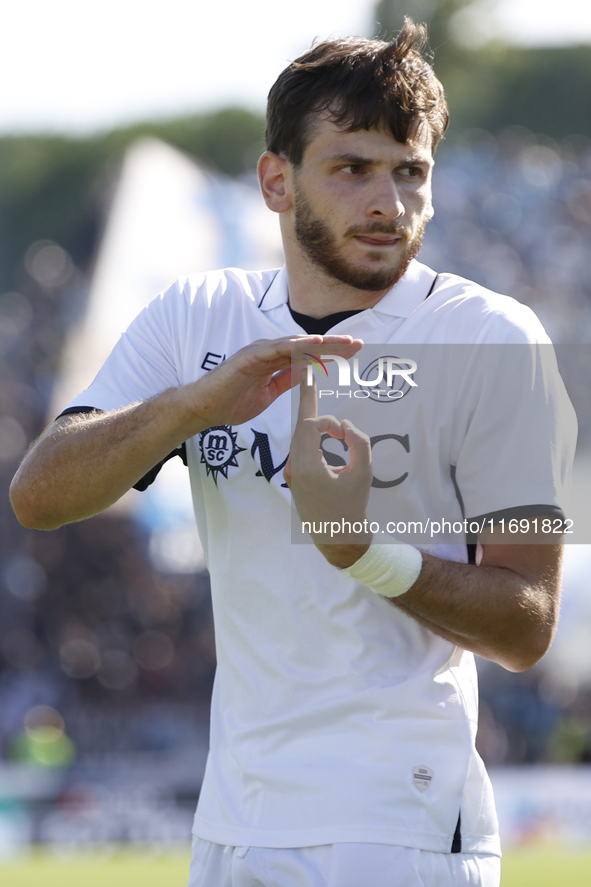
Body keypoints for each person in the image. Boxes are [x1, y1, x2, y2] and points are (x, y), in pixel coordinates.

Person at [10, 19, 575, 887]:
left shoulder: (491, 338)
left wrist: (363, 551)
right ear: (278, 180)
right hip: (232, 820)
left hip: (401, 826)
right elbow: (41, 493)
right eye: (352, 168)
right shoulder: (195, 317)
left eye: (409, 171)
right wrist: (190, 407)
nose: (388, 202)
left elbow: (526, 620)